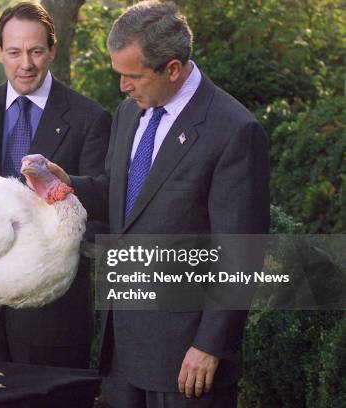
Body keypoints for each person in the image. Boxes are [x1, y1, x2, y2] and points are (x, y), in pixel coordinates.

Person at [47, 1, 269, 407]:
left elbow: (241, 252)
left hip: (188, 361)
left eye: (132, 76)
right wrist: (69, 185)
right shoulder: (129, 113)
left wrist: (210, 346)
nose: (123, 87)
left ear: (172, 68)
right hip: (123, 350)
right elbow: (122, 196)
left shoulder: (234, 131)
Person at [0, 2, 111, 369]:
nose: (25, 64)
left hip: (52, 319)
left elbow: (103, 207)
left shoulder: (90, 119)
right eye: (13, 52)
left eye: (35, 51)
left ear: (53, 50)